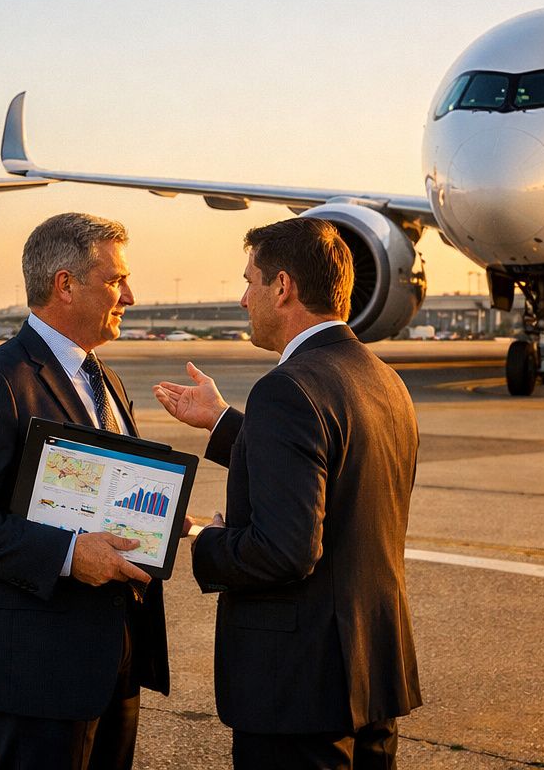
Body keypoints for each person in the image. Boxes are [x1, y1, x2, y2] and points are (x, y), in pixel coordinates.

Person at [155, 218, 422, 770]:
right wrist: (223, 422)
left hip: (299, 688)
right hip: (370, 672)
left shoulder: (286, 389)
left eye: (250, 280)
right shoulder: (383, 380)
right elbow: (328, 465)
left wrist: (204, 538)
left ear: (283, 287)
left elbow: (285, 552)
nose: (242, 296)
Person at [0, 213, 167, 770]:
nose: (130, 294)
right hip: (38, 668)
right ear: (65, 284)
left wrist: (160, 520)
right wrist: (68, 554)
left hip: (114, 658)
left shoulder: (105, 378)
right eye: (115, 280)